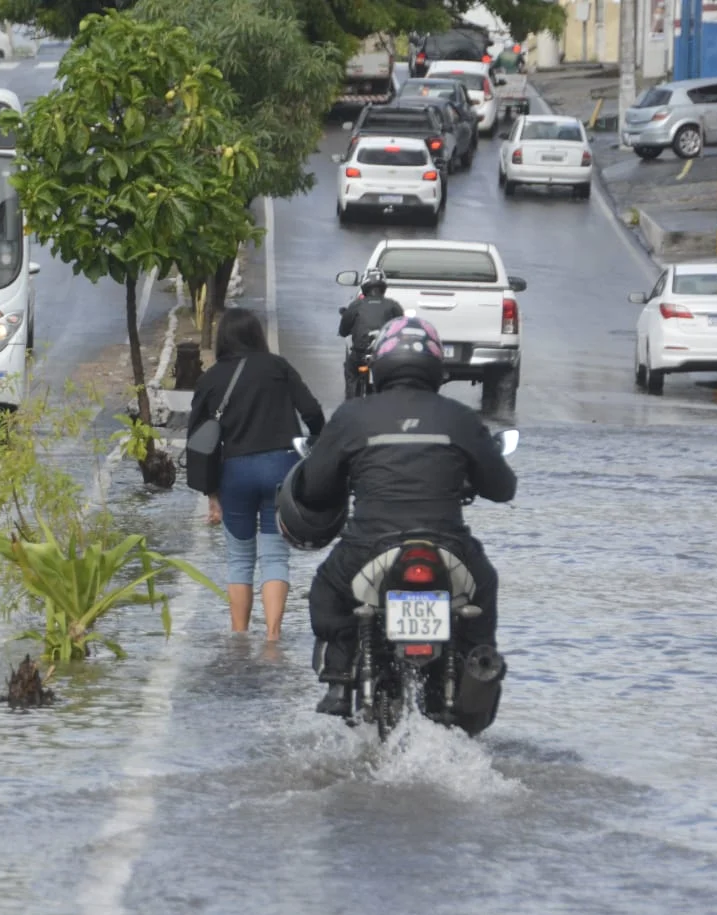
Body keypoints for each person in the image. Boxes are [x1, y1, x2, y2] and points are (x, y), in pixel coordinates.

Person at [283, 316, 517, 716]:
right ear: (436, 368)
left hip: (368, 548)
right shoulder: (460, 417)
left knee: (326, 589)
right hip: (449, 547)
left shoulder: (352, 416)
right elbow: (502, 487)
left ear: (380, 365)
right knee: (485, 585)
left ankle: (338, 677)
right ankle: (478, 666)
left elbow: (315, 488)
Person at [189, 308, 326, 642]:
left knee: (239, 559)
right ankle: (273, 637)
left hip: (235, 472)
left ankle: (239, 637)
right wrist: (317, 446)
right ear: (257, 335)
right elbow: (312, 411)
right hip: (281, 468)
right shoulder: (278, 367)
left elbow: (199, 440)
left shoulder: (211, 378)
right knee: (275, 555)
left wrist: (211, 493)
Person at [337, 268, 405, 398]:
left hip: (360, 354)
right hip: (385, 356)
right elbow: (401, 328)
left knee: (351, 371)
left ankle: (351, 403)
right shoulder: (393, 305)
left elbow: (343, 330)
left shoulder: (356, 305)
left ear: (364, 287)